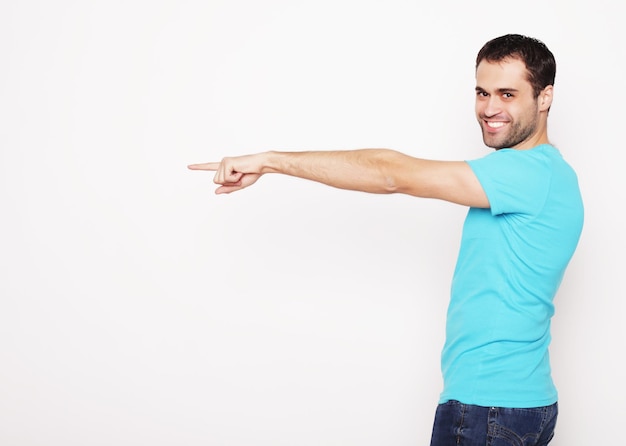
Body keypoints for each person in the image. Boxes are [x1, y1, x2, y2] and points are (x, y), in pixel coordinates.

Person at [189, 34, 584, 446]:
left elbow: (390, 173)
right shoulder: (552, 176)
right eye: (482, 92)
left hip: (488, 408)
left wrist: (270, 161)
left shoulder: (525, 174)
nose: (489, 108)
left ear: (544, 97)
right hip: (524, 406)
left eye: (507, 93)